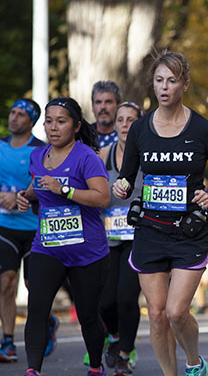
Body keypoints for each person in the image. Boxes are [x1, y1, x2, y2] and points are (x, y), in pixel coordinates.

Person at [113, 51, 208, 376]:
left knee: (176, 312)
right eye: (159, 81)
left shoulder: (203, 129)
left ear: (184, 84)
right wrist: (121, 186)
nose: (164, 88)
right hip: (150, 229)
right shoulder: (139, 129)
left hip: (188, 232)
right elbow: (127, 173)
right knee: (156, 314)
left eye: (172, 81)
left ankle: (194, 363)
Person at [16, 97, 111, 376]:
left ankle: (96, 367)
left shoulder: (86, 157)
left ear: (76, 126)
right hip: (48, 248)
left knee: (88, 316)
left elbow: (102, 197)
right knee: (37, 310)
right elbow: (38, 183)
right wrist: (26, 195)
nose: (53, 127)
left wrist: (65, 190)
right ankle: (33, 370)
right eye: (48, 121)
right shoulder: (38, 155)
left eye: (61, 121)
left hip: (87, 252)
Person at [96, 102, 144, 374]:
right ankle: (114, 338)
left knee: (127, 298)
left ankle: (125, 353)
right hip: (107, 236)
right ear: (114, 125)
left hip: (138, 237)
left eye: (131, 120)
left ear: (139, 124)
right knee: (105, 301)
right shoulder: (102, 155)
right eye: (121, 120)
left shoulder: (149, 156)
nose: (126, 124)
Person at [0, 99, 45, 363]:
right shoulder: (1, 146)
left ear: (31, 121)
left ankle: (45, 320)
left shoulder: (40, 150)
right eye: (12, 112)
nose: (14, 117)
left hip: (35, 227)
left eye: (20, 114)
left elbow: (42, 183)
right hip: (6, 226)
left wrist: (20, 195)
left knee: (33, 285)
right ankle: (7, 340)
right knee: (6, 281)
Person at [91, 81, 122, 148]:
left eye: (108, 102)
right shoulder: (83, 136)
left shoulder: (127, 136)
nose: (103, 107)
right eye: (98, 102)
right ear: (92, 106)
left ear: (118, 105)